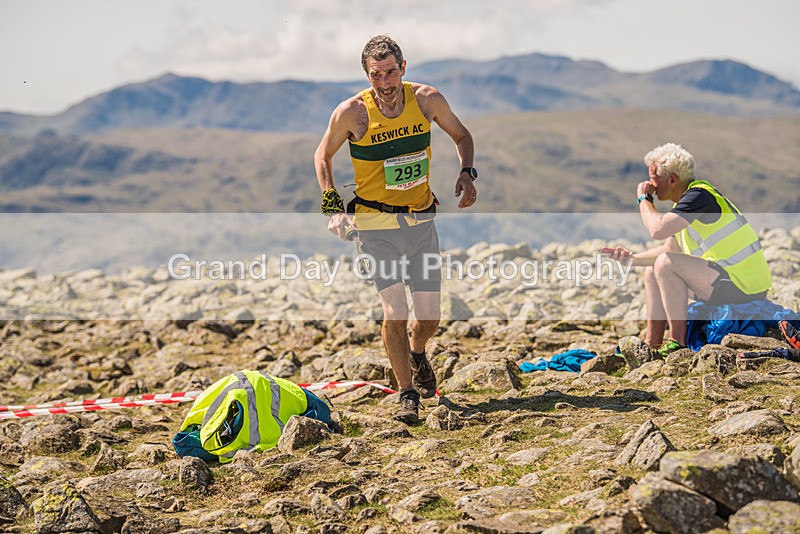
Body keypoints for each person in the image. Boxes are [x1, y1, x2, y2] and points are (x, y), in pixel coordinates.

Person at [314, 35, 477, 424]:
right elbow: (322, 155)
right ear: (366, 75)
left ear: (403, 68)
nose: (384, 83)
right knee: (396, 310)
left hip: (421, 222)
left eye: (390, 73)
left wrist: (467, 173)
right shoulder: (353, 112)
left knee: (429, 317)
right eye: (376, 75)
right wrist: (333, 207)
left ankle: (417, 353)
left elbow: (462, 135)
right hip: (375, 227)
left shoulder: (426, 100)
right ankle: (407, 395)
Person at [602, 143, 772, 358]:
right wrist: (632, 259)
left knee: (664, 264)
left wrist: (644, 199)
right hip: (727, 280)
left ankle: (677, 343)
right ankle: (652, 345)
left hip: (745, 286)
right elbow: (669, 249)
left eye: (653, 178)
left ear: (672, 180)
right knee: (653, 269)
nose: (649, 184)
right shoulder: (684, 205)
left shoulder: (699, 196)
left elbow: (657, 230)